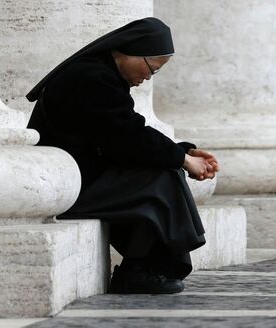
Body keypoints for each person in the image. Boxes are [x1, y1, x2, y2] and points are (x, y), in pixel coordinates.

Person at [26, 17, 218, 294]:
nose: (149, 76)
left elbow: (125, 132)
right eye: (152, 67)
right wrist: (183, 159)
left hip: (87, 176)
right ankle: (134, 271)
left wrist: (182, 151)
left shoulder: (99, 74)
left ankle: (142, 267)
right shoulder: (90, 77)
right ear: (130, 52)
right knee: (158, 177)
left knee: (162, 170)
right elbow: (127, 137)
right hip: (72, 186)